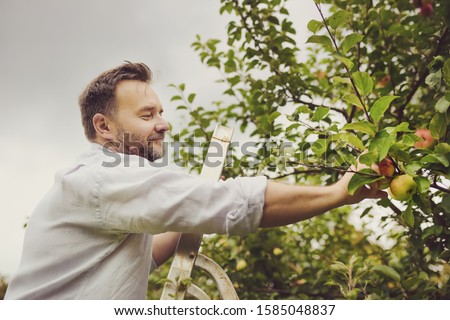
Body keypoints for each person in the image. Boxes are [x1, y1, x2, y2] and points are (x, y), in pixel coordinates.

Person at [5, 62, 386, 300]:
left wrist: (195, 209)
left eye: (161, 112)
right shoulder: (103, 178)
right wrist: (338, 192)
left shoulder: (107, 191)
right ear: (104, 126)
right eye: (146, 114)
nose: (163, 123)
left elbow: (146, 256)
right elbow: (237, 203)